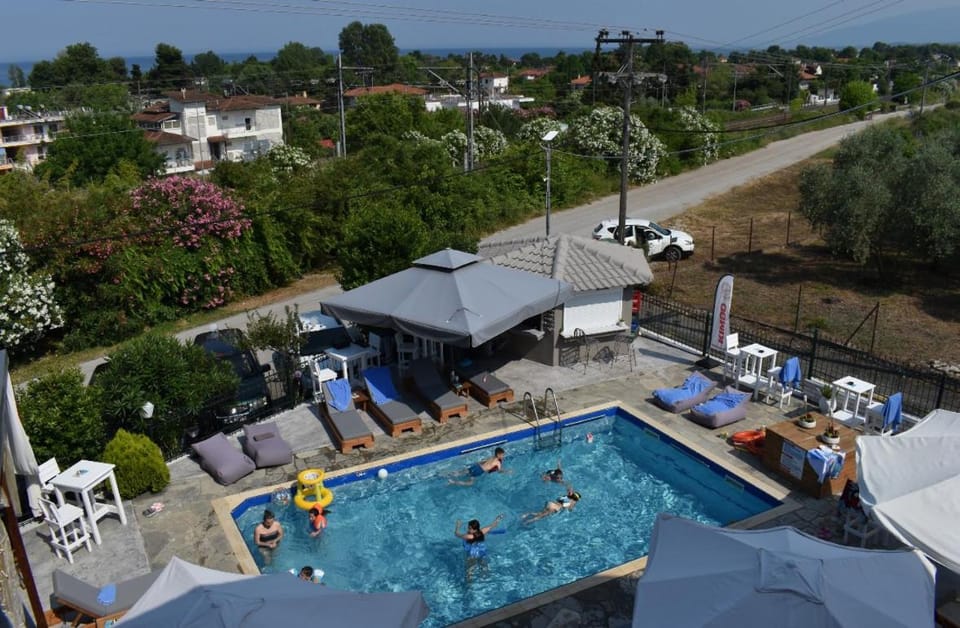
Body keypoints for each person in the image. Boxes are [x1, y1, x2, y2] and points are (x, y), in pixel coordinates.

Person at [455, 514, 503, 582]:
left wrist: (458, 526)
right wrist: (499, 518)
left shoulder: (469, 536)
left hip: (473, 554)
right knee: (484, 568)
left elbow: (456, 534)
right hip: (481, 552)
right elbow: (493, 525)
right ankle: (487, 580)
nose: (468, 529)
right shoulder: (482, 531)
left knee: (469, 571)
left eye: (469, 528)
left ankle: (469, 585)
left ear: (474, 529)